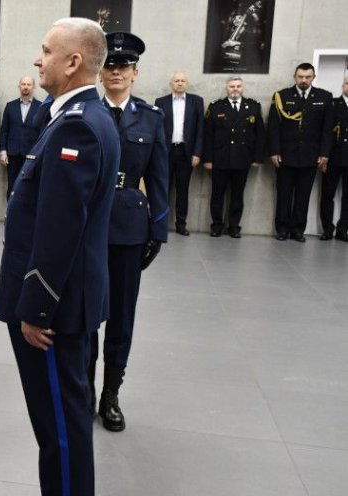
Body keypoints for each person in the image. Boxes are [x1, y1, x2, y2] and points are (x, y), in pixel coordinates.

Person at [0, 18, 118, 496]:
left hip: (53, 315)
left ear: (74, 61)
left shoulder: (79, 128)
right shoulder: (74, 117)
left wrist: (36, 309)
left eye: (46, 50)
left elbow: (59, 229)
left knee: (60, 432)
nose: (36, 59)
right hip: (65, 304)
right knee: (63, 421)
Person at [93, 32, 168, 432]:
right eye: (110, 65)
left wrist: (158, 229)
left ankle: (111, 394)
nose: (116, 71)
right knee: (86, 313)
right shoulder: (85, 111)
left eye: (123, 66)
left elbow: (159, 177)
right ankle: (83, 389)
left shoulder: (151, 117)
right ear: (101, 71)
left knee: (121, 314)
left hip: (127, 227)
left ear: (135, 73)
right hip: (88, 225)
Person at [268, 63, 334, 242]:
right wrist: (274, 151)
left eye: (307, 77)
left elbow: (327, 130)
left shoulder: (324, 97)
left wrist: (324, 154)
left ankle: (298, 230)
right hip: (285, 156)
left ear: (313, 77)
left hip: (310, 156)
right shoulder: (282, 96)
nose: (304, 80)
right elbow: (273, 127)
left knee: (303, 196)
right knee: (284, 195)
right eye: (300, 77)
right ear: (294, 76)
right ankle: (282, 229)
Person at [202, 77, 265, 238]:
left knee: (238, 195)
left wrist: (258, 157)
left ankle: (234, 226)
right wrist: (207, 159)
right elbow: (208, 135)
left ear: (242, 88)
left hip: (242, 158)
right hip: (220, 159)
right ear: (226, 88)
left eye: (238, 86)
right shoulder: (216, 107)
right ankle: (216, 225)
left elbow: (260, 135)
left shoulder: (253, 106)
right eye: (232, 86)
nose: (235, 89)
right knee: (217, 194)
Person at [155, 71, 204, 236]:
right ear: (171, 84)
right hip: (166, 152)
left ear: (187, 83)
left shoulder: (196, 102)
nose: (180, 83)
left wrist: (197, 152)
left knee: (183, 190)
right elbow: (157, 128)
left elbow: (200, 130)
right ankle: (161, 223)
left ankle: (181, 224)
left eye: (183, 80)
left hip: (186, 152)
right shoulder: (161, 102)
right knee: (163, 189)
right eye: (177, 80)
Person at [0, 76, 42, 196]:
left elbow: (42, 133)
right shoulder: (10, 106)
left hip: (31, 155)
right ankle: (10, 214)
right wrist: (3, 151)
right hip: (12, 155)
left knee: (29, 188)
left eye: (29, 84)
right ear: (19, 87)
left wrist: (39, 154)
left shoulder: (41, 107)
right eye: (23, 84)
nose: (26, 87)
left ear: (34, 87)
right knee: (12, 187)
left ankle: (25, 215)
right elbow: (4, 131)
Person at [321, 77, 348, 241]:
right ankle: (327, 229)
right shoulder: (333, 104)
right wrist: (324, 155)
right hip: (333, 157)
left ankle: (343, 229)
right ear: (343, 85)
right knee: (327, 194)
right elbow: (325, 131)